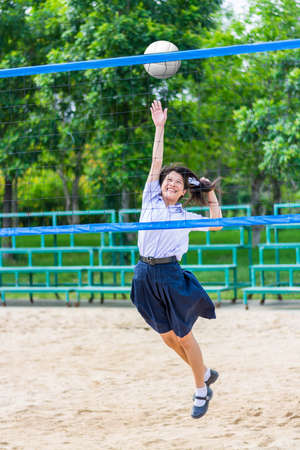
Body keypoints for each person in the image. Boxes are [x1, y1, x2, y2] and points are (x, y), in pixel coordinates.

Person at [130, 100, 223, 419]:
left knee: (184, 336)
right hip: (144, 273)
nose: (171, 183)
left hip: (170, 275)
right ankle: (205, 373)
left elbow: (216, 224)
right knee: (168, 337)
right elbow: (156, 161)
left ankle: (200, 390)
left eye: (177, 183)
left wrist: (209, 192)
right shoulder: (150, 198)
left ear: (184, 191)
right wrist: (159, 128)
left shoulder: (186, 214)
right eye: (168, 180)